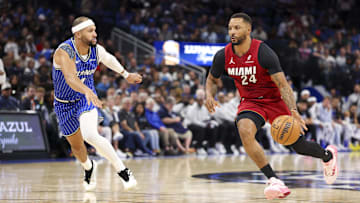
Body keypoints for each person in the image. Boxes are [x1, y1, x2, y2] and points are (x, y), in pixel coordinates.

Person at [205, 13, 338, 200]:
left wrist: (293, 111)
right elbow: (211, 78)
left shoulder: (263, 52)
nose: (232, 32)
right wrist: (209, 94)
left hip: (275, 101)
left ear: (248, 30)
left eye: (237, 28)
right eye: (230, 28)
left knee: (298, 146)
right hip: (251, 102)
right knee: (244, 129)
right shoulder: (223, 55)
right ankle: (274, 180)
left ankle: (328, 156)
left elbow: (283, 85)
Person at [52, 16, 141, 191]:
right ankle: (89, 167)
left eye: (95, 30)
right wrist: (87, 90)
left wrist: (126, 74)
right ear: (78, 34)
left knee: (90, 134)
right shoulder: (64, 51)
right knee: (77, 147)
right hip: (64, 104)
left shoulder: (96, 50)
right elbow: (70, 77)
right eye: (90, 31)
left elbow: (108, 59)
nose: (95, 34)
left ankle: (123, 171)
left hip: (85, 100)